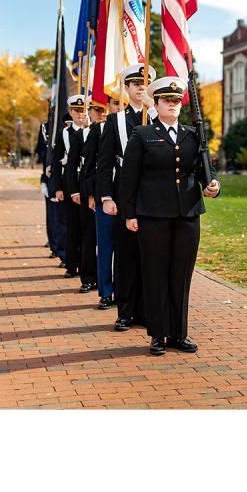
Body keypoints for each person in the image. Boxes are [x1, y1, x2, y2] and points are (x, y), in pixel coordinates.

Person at [118, 76, 221, 356]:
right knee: (155, 274)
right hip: (153, 215)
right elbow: (129, 178)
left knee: (181, 274)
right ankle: (158, 335)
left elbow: (204, 171)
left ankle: (179, 333)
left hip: (187, 215)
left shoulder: (192, 134)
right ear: (157, 103)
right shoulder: (142, 135)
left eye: (177, 101)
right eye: (167, 101)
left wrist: (214, 185)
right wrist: (129, 213)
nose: (173, 105)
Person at [96, 63, 157, 331]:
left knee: (151, 255)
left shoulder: (158, 117)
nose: (141, 88)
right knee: (126, 254)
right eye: (135, 84)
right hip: (125, 193)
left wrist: (152, 108)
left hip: (154, 194)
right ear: (127, 88)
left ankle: (147, 311)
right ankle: (126, 311)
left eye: (145, 84)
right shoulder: (115, 121)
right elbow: (104, 162)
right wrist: (106, 197)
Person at [79, 93, 123, 310]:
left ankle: (124, 292)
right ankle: (106, 292)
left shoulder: (139, 125)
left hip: (128, 196)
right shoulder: (100, 129)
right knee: (105, 245)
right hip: (104, 193)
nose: (119, 107)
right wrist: (89, 194)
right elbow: (89, 165)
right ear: (108, 106)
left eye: (122, 104)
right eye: (116, 103)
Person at [50, 95, 90, 282]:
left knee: (87, 228)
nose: (81, 114)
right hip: (69, 182)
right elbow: (56, 162)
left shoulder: (92, 130)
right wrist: (57, 187)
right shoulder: (64, 133)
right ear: (71, 112)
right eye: (77, 111)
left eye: (84, 110)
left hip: (87, 181)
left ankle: (86, 265)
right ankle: (71, 263)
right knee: (72, 226)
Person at [64, 95, 100, 294]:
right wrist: (75, 191)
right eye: (96, 109)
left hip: (107, 191)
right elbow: (71, 166)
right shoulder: (80, 135)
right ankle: (88, 277)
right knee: (88, 237)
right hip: (87, 191)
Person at [38, 118, 67, 265]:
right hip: (53, 178)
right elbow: (44, 152)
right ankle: (58, 248)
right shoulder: (47, 127)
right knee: (56, 217)